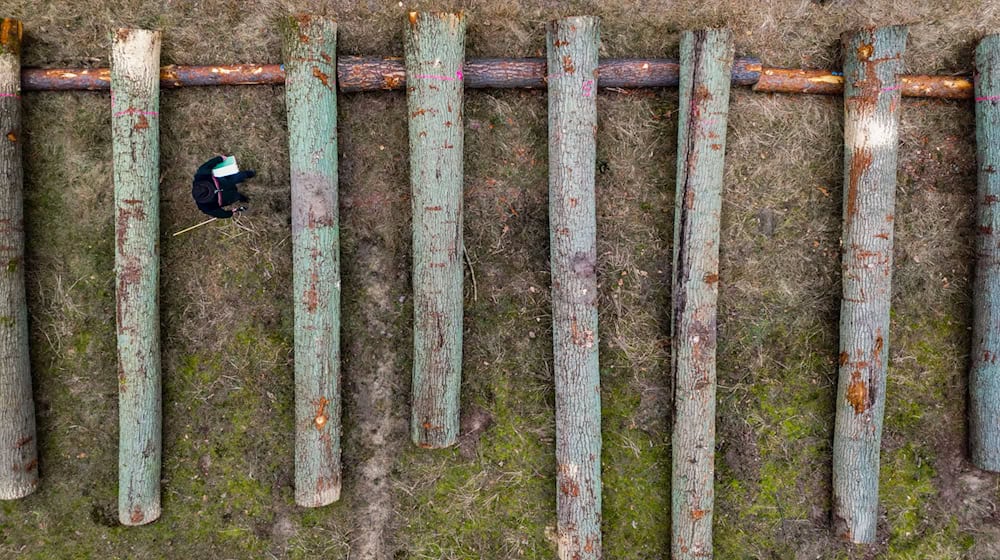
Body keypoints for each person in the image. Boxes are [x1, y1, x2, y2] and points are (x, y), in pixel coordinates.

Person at [191, 155, 256, 218]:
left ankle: (249, 175)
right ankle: (243, 196)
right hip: (227, 195)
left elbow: (206, 166)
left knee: (236, 179)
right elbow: (220, 214)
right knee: (236, 191)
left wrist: (220, 158)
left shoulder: (200, 177)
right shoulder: (204, 206)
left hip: (225, 186)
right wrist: (229, 213)